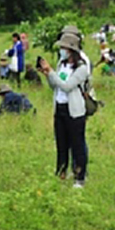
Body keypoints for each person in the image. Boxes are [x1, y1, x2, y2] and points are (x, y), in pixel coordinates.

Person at [38, 33, 90, 187]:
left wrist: (52, 72)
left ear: (71, 50)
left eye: (63, 48)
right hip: (59, 108)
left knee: (77, 145)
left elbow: (67, 86)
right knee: (61, 143)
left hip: (74, 111)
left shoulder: (81, 69)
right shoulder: (62, 64)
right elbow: (55, 85)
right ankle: (61, 172)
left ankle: (79, 177)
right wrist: (48, 74)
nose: (61, 50)